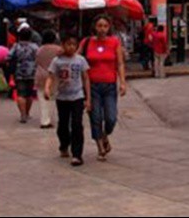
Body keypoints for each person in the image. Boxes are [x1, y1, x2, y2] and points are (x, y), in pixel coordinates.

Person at [80, 14, 127, 162]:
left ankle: (105, 135)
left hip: (109, 86)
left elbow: (119, 63)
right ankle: (100, 146)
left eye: (105, 26)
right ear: (95, 27)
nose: (102, 29)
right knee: (96, 117)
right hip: (91, 86)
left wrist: (123, 82)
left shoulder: (114, 42)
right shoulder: (86, 42)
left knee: (111, 118)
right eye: (99, 26)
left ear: (109, 27)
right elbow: (76, 57)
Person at [45, 34, 91, 167]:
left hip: (77, 96)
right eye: (68, 44)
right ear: (62, 45)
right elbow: (50, 76)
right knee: (63, 125)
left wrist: (88, 99)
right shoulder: (57, 61)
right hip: (62, 97)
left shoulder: (80, 60)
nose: (71, 47)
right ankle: (64, 144)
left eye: (73, 44)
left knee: (77, 124)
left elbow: (86, 78)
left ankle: (77, 154)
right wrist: (48, 89)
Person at [7, 28, 39, 123]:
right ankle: (27, 113)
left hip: (19, 72)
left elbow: (8, 56)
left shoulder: (16, 46)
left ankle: (22, 114)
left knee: (21, 94)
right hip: (32, 72)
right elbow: (38, 57)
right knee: (29, 94)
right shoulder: (34, 46)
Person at [35, 29, 61, 129]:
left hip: (41, 75)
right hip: (55, 76)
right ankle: (52, 118)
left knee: (42, 98)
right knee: (54, 97)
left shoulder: (39, 49)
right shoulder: (58, 49)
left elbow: (37, 61)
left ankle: (44, 120)